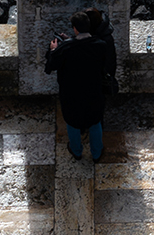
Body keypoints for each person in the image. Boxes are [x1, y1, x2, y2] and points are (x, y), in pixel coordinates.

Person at [45, 8, 115, 160]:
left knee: (73, 122)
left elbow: (50, 66)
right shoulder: (101, 45)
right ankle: (96, 153)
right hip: (93, 90)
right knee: (95, 121)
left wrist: (54, 50)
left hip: (71, 92)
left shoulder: (65, 49)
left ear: (75, 29)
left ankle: (77, 151)